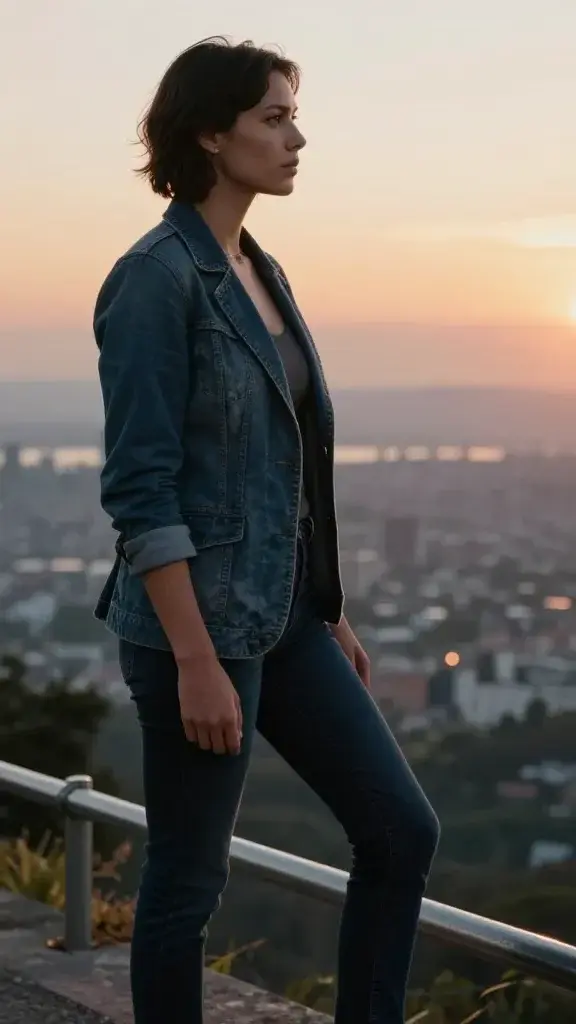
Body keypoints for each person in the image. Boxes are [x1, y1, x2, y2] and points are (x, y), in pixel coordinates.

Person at [93, 36, 439, 1024]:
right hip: (195, 632)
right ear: (211, 133)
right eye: (274, 117)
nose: (298, 138)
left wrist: (328, 604)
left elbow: (289, 460)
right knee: (189, 883)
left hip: (284, 617)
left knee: (400, 829)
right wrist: (197, 660)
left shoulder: (257, 266)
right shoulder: (156, 280)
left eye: (293, 115)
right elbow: (141, 491)